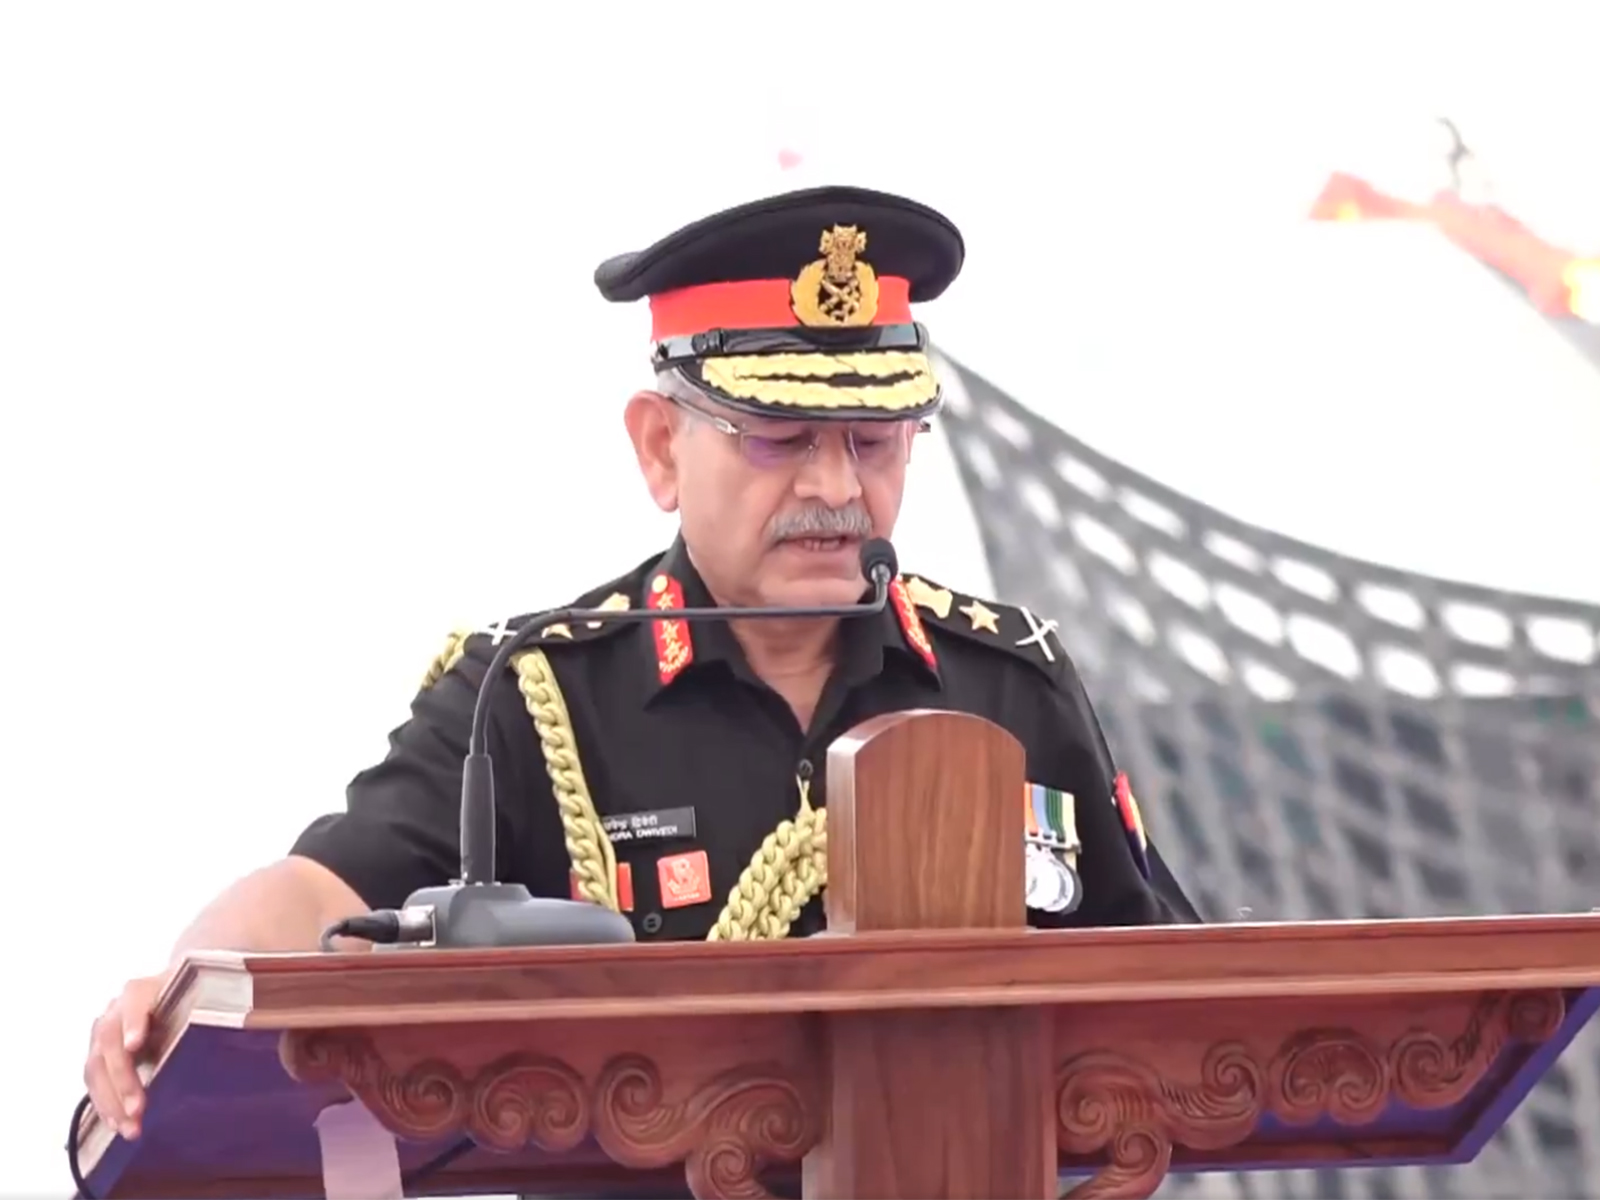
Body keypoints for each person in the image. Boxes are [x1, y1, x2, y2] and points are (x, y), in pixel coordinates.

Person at [83, 184, 1199, 1140]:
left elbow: (1181, 998)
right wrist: (174, 995)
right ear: (661, 447)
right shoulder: (535, 695)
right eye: (780, 438)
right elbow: (318, 897)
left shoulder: (1010, 683)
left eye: (872, 440)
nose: (834, 491)